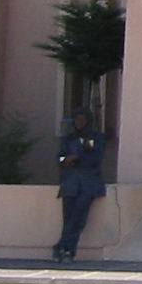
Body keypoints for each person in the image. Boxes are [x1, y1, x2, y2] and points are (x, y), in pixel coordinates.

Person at [53, 107, 106, 262]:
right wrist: (66, 160)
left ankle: (66, 248)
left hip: (88, 183)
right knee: (69, 217)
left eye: (82, 120)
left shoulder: (95, 138)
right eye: (77, 120)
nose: (79, 123)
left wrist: (77, 158)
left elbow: (95, 158)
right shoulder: (68, 139)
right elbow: (59, 159)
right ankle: (64, 249)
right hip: (70, 183)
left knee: (78, 217)